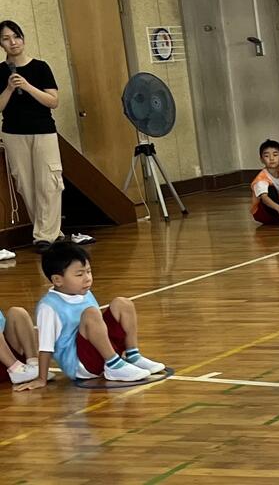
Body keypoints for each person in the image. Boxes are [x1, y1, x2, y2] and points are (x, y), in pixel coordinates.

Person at [15, 242, 164, 390]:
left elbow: (98, 330)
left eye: (89, 271)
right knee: (91, 313)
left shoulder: (84, 292)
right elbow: (45, 348)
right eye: (79, 274)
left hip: (100, 353)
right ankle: (113, 365)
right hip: (82, 365)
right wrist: (41, 379)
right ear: (57, 280)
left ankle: (132, 356)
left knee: (123, 303)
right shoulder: (49, 306)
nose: (87, 278)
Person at [0, 20, 95, 251]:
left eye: (16, 36)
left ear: (23, 38)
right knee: (25, 184)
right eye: (6, 39)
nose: (13, 42)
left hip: (43, 131)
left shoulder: (40, 67)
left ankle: (45, 236)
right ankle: (48, 233)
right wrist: (10, 88)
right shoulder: (0, 72)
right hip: (13, 133)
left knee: (49, 182)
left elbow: (53, 101)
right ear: (1, 44)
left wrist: (27, 86)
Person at [250, 139, 279, 226]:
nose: (271, 158)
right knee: (270, 189)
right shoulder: (261, 178)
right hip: (265, 213)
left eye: (275, 155)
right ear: (261, 160)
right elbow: (264, 198)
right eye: (267, 156)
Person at [0, 307, 39, 385]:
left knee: (17, 312)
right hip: (10, 365)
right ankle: (17, 369)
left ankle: (34, 366)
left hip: (7, 357)